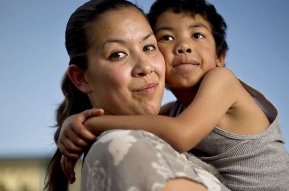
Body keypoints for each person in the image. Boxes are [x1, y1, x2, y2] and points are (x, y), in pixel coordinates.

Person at [58, 0, 289, 190]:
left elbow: (180, 134)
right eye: (166, 38)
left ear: (220, 56)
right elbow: (138, 123)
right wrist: (73, 124)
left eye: (197, 35)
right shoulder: (175, 112)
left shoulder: (223, 81)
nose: (184, 46)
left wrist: (93, 124)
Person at [44, 0, 230, 190]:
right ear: (81, 78)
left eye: (149, 47)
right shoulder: (122, 146)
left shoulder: (167, 124)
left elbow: (178, 130)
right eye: (117, 54)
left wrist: (89, 123)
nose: (145, 67)